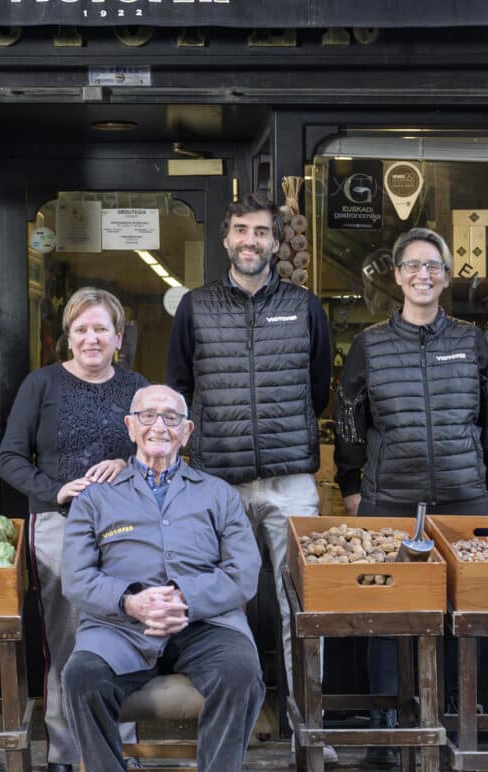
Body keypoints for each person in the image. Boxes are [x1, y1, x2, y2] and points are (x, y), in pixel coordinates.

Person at [333, 227, 488, 760]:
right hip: (389, 499)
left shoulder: (469, 341)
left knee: (461, 615)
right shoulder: (369, 345)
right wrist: (350, 487)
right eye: (412, 265)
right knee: (387, 618)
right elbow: (348, 421)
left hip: (463, 499)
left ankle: (452, 721)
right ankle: (387, 729)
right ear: (397, 276)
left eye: (433, 266)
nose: (423, 275)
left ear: (446, 275)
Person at [165, 192, 331, 725]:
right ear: (226, 239)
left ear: (276, 242)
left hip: (292, 482)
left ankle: (306, 723)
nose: (250, 241)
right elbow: (179, 387)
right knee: (218, 604)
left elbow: (319, 387)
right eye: (240, 230)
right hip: (219, 482)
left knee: (302, 605)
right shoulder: (195, 306)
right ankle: (228, 720)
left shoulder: (304, 306)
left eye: (260, 231)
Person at [62, 384, 264, 772]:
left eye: (171, 418)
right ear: (130, 427)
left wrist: (185, 600)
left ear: (186, 431)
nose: (159, 426)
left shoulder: (218, 494)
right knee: (80, 678)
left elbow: (244, 572)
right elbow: (77, 578)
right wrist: (131, 601)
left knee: (241, 671)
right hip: (120, 626)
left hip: (206, 624)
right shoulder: (94, 497)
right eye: (148, 416)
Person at [0, 287, 148, 772]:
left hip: (127, 529)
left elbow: (163, 450)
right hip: (59, 526)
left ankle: (117, 752)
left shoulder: (136, 387)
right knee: (65, 642)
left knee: (123, 634)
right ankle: (61, 759)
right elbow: (9, 458)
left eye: (101, 329)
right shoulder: (42, 385)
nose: (91, 338)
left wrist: (130, 464)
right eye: (81, 329)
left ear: (118, 338)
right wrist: (55, 489)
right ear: (68, 334)